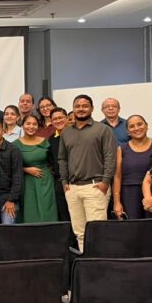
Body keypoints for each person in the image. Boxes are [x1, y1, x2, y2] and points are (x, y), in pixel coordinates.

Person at [58, 95, 117, 251]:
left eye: (85, 106)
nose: (81, 109)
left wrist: (105, 182)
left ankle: (99, 262)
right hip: (72, 189)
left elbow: (110, 157)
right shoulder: (66, 132)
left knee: (97, 232)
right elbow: (62, 159)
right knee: (80, 233)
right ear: (73, 109)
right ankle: (85, 262)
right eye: (77, 106)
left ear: (92, 108)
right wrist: (64, 182)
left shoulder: (103, 129)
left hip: (95, 187)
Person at [113, 115, 152, 220]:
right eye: (132, 126)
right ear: (128, 132)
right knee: (133, 227)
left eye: (140, 124)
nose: (136, 128)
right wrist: (117, 202)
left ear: (147, 126)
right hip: (129, 195)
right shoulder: (121, 149)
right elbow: (117, 177)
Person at [13, 115, 57, 223]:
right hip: (27, 183)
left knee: (47, 211)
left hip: (45, 181)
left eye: (34, 124)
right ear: (22, 125)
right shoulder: (15, 145)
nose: (31, 126)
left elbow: (54, 162)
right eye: (28, 123)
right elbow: (11, 166)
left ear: (38, 126)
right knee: (30, 212)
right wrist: (25, 169)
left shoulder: (46, 142)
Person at [0, 119, 23, 225]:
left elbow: (18, 177)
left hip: (8, 199)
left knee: (8, 231)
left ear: (2, 131)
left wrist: (12, 200)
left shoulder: (13, 150)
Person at [47, 108, 71, 222]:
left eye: (60, 117)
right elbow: (50, 161)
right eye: (55, 119)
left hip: (76, 181)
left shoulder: (76, 134)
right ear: (51, 122)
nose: (58, 121)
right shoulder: (51, 140)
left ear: (67, 118)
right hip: (59, 182)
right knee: (63, 215)